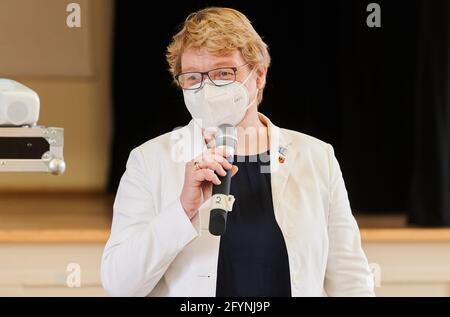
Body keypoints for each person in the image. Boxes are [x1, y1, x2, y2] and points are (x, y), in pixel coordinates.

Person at [101, 7, 375, 297]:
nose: (207, 88)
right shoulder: (150, 160)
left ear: (258, 75)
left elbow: (351, 280)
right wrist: (182, 209)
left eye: (223, 72)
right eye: (193, 78)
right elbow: (120, 284)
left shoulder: (317, 158)